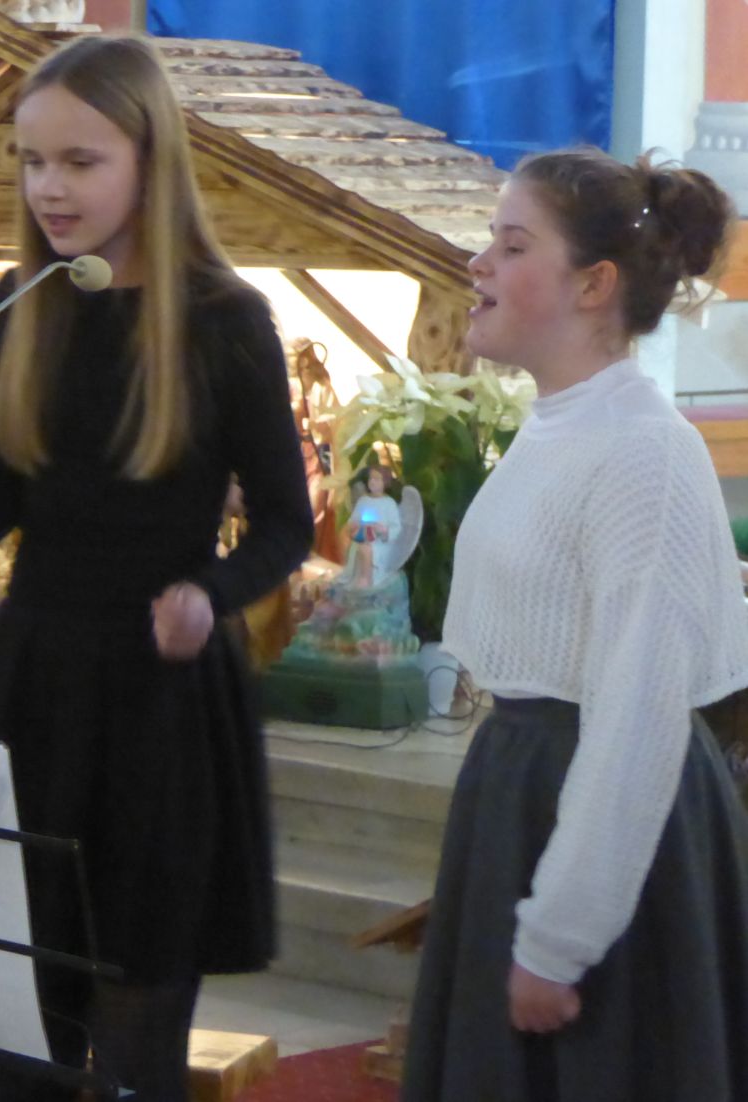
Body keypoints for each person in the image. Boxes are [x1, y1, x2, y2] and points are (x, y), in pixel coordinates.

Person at [0, 34, 313, 1100]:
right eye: (31, 161)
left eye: (79, 160)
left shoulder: (225, 319)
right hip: (34, 680)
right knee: (22, 1025)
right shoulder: (21, 299)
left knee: (137, 1029)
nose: (49, 188)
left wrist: (207, 595)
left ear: (150, 159)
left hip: (160, 701)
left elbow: (286, 528)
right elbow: (2, 501)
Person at [402, 148, 748, 1101]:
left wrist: (561, 938)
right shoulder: (562, 423)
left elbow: (637, 713)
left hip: (599, 815)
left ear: (592, 284)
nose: (477, 263)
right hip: (526, 794)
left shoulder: (642, 451)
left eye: (512, 245)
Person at [342, 465, 402, 588]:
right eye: (371, 478)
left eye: (377, 479)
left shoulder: (389, 503)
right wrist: (356, 525)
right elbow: (353, 520)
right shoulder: (363, 501)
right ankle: (356, 576)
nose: (372, 482)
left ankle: (366, 579)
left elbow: (396, 528)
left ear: (385, 482)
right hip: (363, 536)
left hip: (381, 543)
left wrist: (384, 530)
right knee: (354, 546)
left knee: (366, 549)